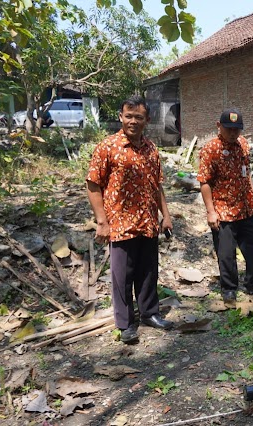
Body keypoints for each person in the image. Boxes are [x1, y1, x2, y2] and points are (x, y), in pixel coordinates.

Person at [87, 95, 174, 344]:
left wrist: (165, 216)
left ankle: (149, 313)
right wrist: (102, 221)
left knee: (148, 272)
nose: (133, 121)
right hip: (120, 222)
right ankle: (125, 324)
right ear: (120, 117)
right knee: (122, 276)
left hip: (147, 221)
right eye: (128, 116)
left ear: (147, 120)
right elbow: (93, 184)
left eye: (138, 117)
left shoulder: (151, 149)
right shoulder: (108, 147)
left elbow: (157, 186)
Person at [198, 108, 253, 305]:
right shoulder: (210, 150)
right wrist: (210, 211)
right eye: (228, 128)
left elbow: (246, 170)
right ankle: (229, 288)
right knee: (226, 253)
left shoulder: (243, 144)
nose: (233, 133)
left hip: (246, 207)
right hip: (222, 210)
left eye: (236, 129)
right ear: (218, 126)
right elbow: (204, 182)